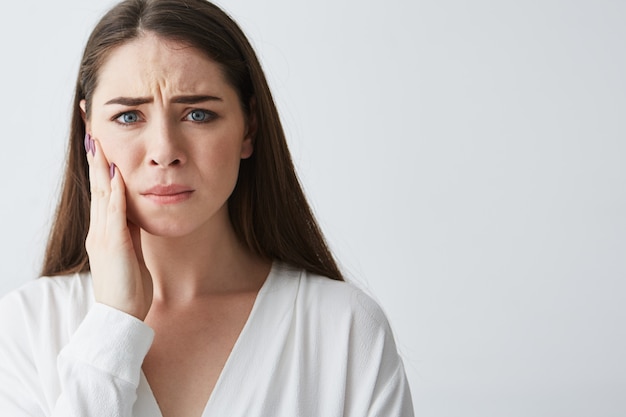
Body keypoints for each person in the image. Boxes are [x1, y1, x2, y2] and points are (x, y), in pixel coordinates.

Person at [0, 0, 414, 415]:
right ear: (89, 130)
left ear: (248, 127)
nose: (164, 151)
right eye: (129, 117)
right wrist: (113, 323)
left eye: (198, 114)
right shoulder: (27, 327)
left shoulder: (346, 331)